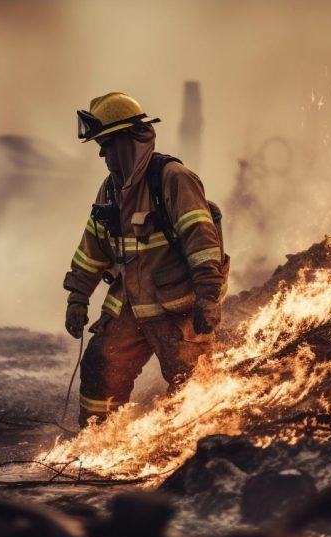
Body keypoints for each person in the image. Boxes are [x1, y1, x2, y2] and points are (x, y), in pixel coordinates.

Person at [63, 92, 228, 427]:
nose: (102, 153)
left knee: (192, 385)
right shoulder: (110, 190)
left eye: (107, 144)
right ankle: (96, 440)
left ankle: (198, 445)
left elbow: (202, 242)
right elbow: (91, 248)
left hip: (176, 310)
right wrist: (78, 297)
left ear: (130, 140)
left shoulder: (173, 178)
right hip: (130, 306)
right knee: (99, 365)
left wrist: (209, 298)